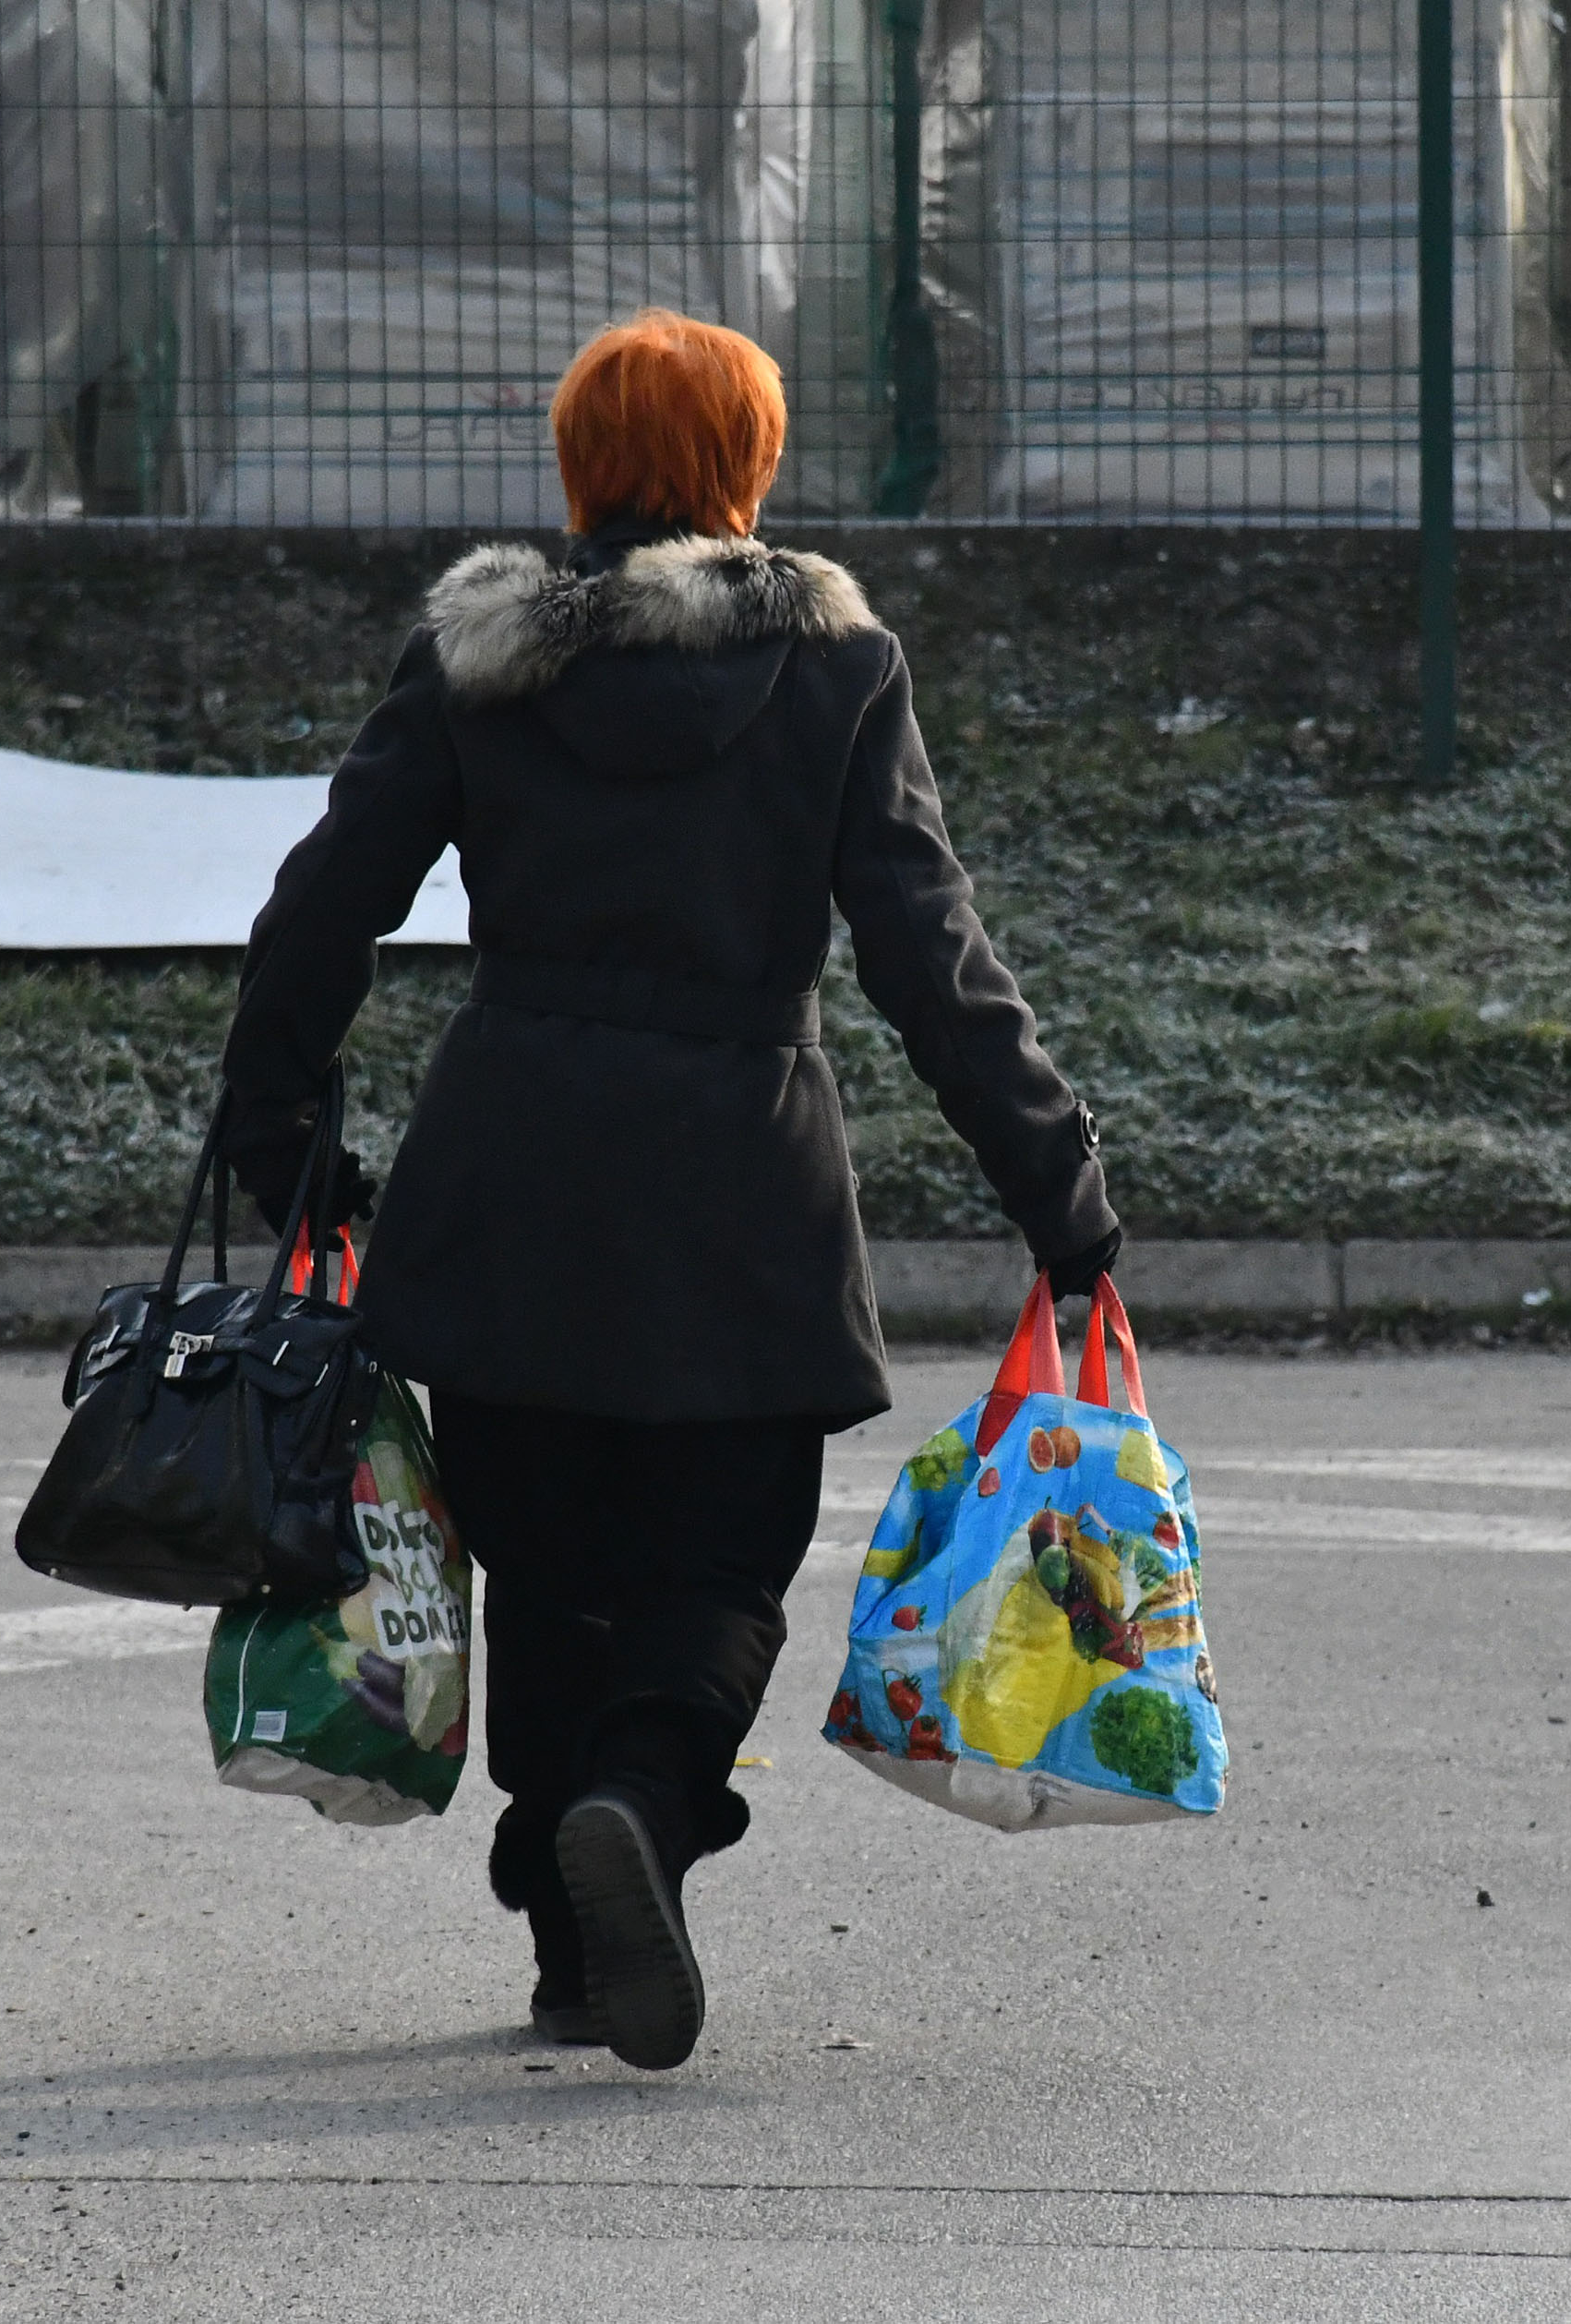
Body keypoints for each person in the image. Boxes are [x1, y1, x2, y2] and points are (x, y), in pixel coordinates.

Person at [215, 309, 1119, 2072]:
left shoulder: (477, 660)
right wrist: (1058, 1187)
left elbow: (323, 904)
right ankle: (640, 1794)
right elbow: (930, 955)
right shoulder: (836, 671)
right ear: (748, 466)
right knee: (719, 1565)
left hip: (509, 1182)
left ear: (581, 466)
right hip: (740, 1195)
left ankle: (573, 1953)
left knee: (547, 1567)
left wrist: (283, 1138)